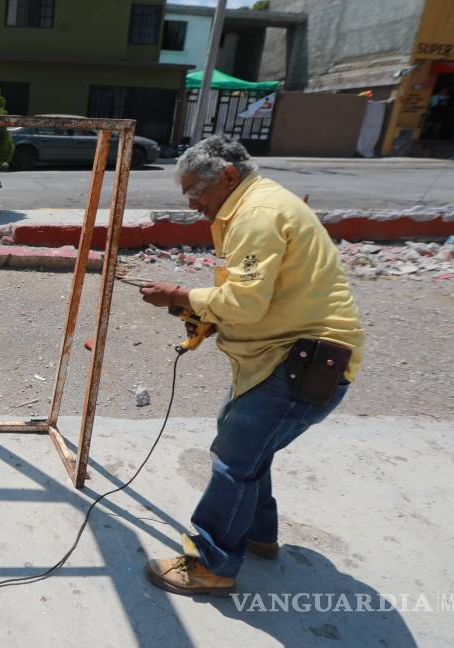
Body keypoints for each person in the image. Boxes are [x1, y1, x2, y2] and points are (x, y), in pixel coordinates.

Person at [137, 135, 364, 596]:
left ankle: (210, 565)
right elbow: (258, 298)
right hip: (290, 356)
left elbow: (245, 301)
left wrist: (181, 296)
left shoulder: (256, 215)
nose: (192, 204)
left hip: (302, 361)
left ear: (226, 176)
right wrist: (203, 313)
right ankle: (259, 534)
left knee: (234, 461)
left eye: (195, 193)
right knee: (248, 447)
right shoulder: (255, 204)